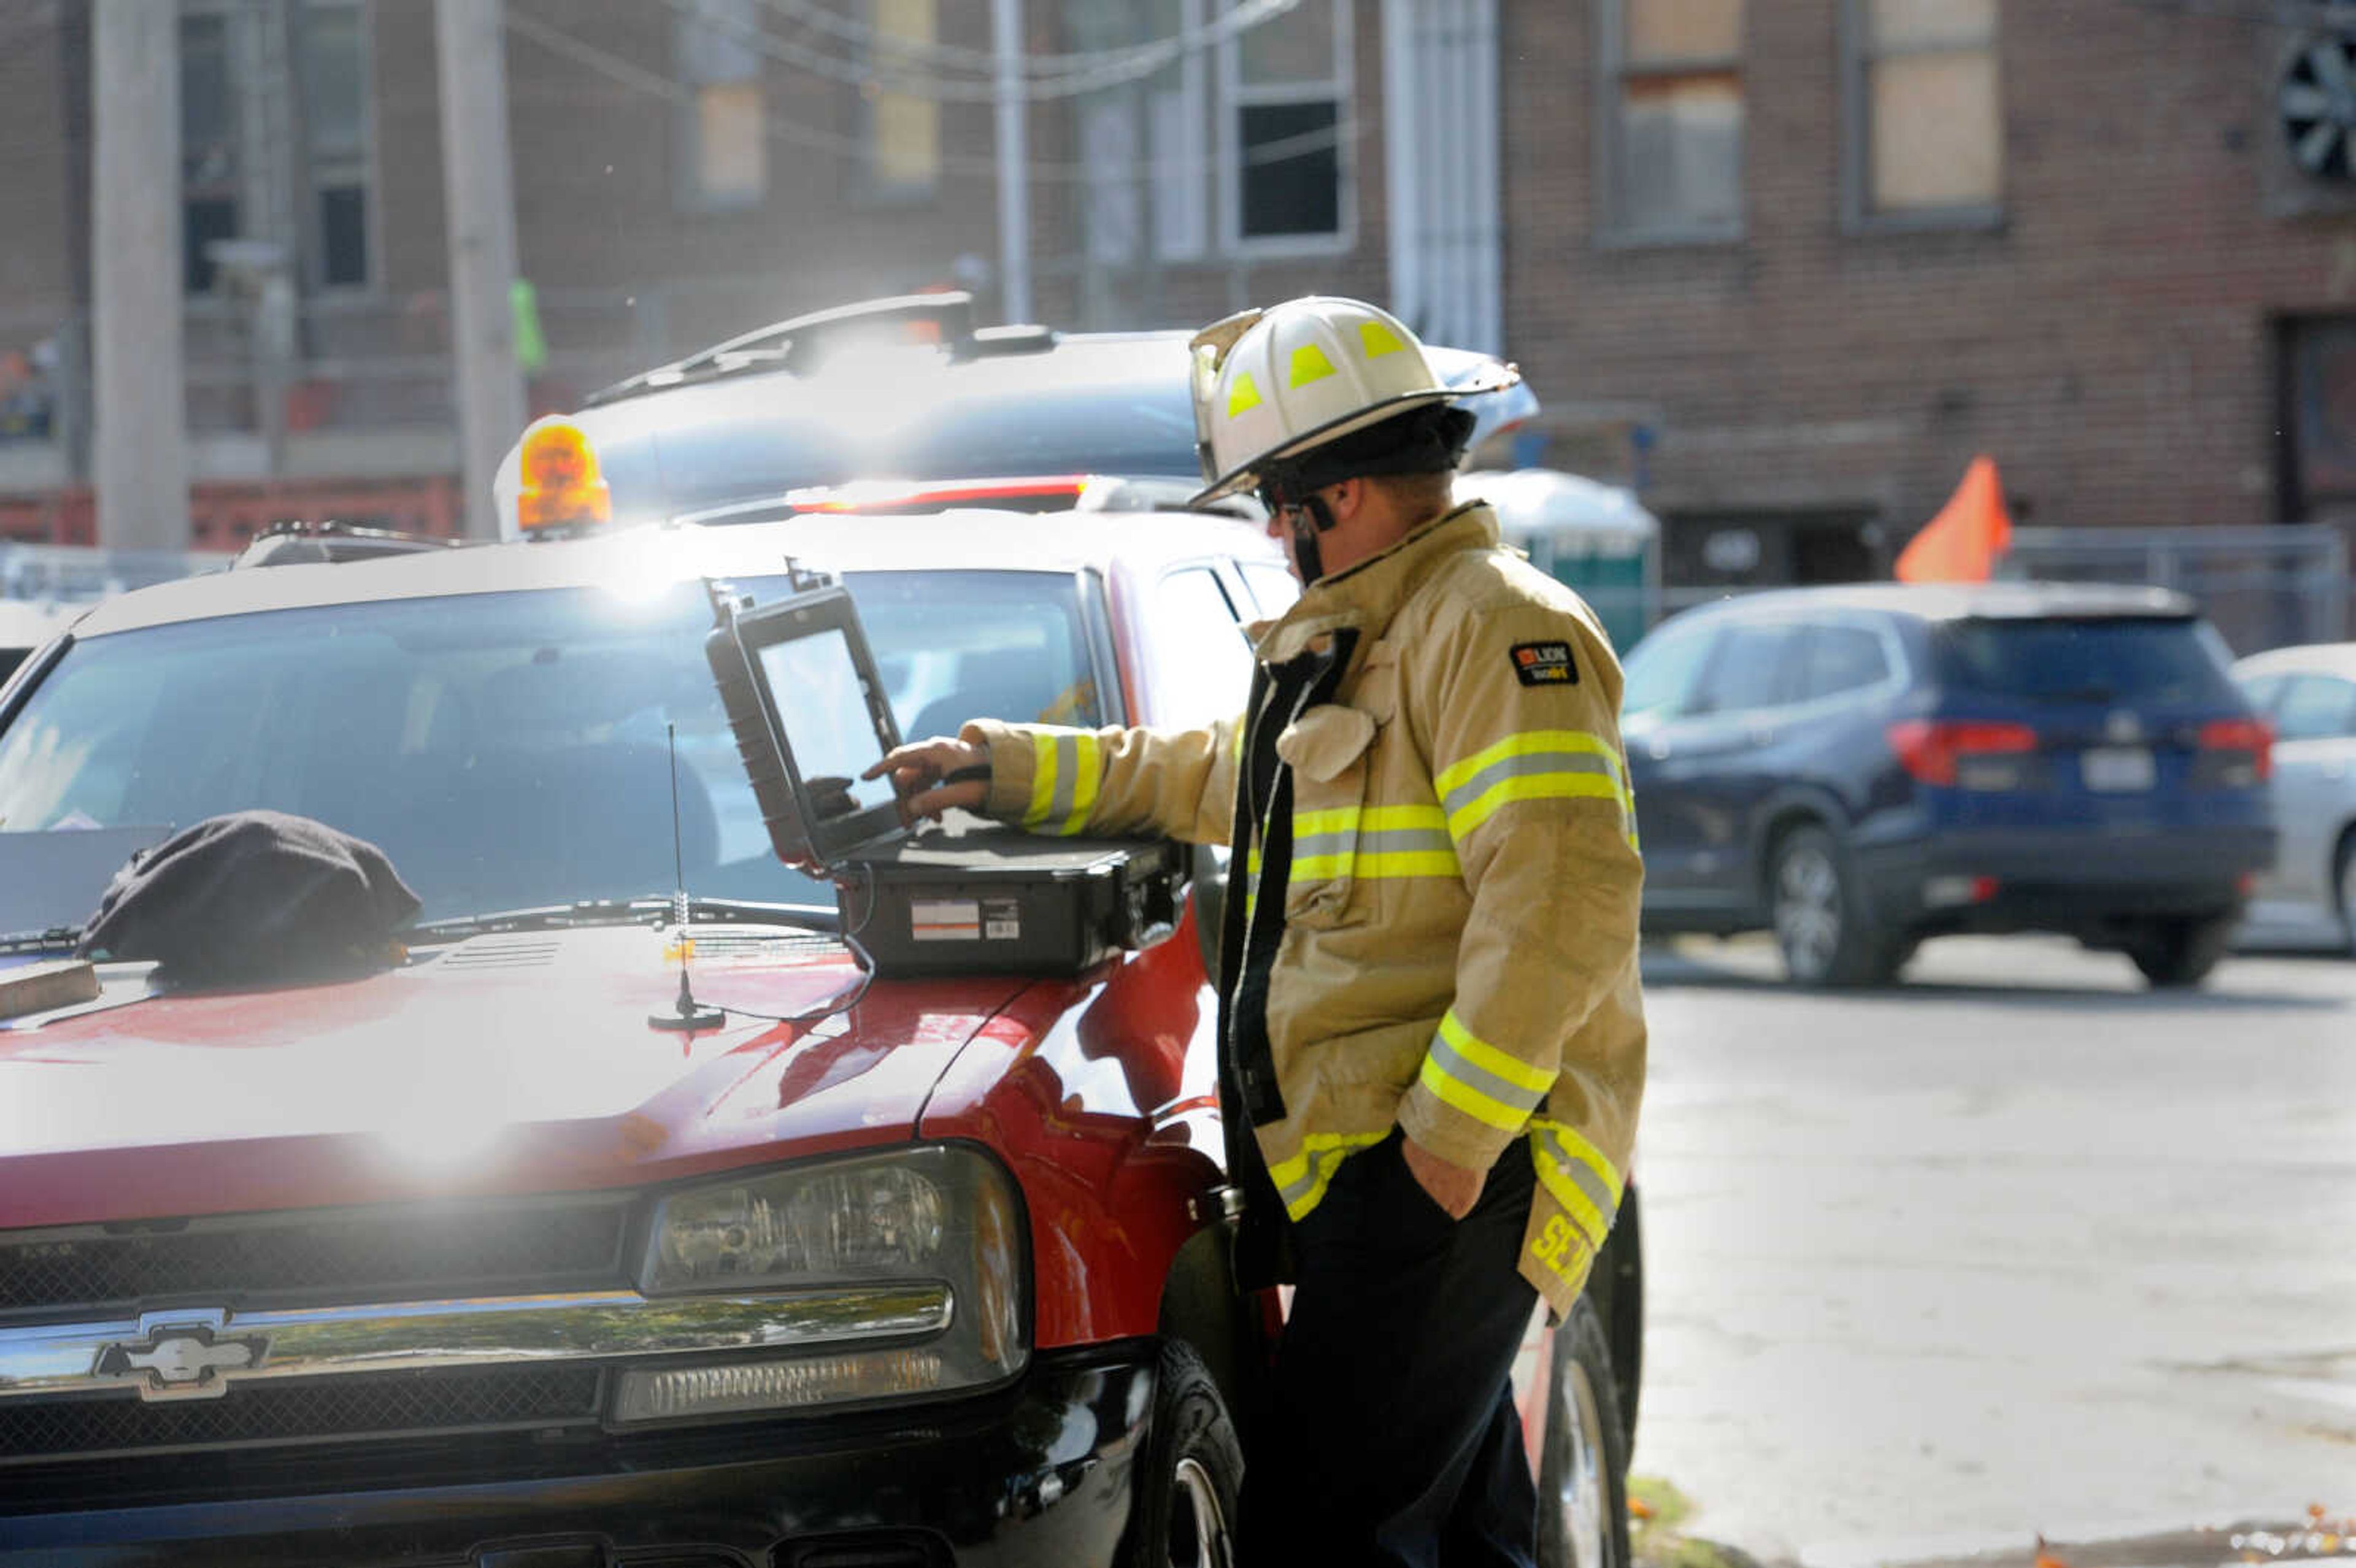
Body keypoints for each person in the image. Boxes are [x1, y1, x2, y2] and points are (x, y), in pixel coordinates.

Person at [868, 296, 1646, 1566]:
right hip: (1390, 1169)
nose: (1275, 539)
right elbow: (1210, 776)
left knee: (1325, 1532)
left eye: (1275, 507)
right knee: (1458, 1529)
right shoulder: (1373, 638)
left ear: (1328, 497)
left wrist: (1439, 1159)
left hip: (1454, 1170)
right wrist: (1001, 769)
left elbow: (1562, 908)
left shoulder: (1497, 631)